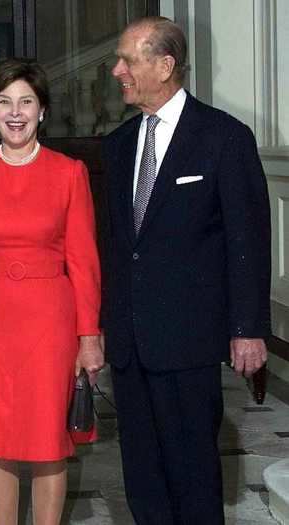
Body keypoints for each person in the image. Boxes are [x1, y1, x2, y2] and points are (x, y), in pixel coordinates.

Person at [102, 16, 271, 524]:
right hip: (130, 344)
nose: (117, 71)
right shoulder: (118, 144)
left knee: (193, 471)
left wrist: (248, 330)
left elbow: (248, 241)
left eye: (128, 60)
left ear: (165, 65)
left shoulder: (224, 138)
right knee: (142, 473)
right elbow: (115, 247)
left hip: (190, 341)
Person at [0, 58, 104, 525]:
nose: (15, 113)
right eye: (5, 102)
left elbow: (85, 263)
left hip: (50, 325)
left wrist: (88, 337)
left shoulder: (69, 173)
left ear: (42, 111)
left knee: (49, 438)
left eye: (25, 102)